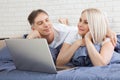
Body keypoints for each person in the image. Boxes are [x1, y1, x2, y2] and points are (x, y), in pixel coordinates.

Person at [26, 9, 117, 64]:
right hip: (70, 32)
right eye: (40, 23)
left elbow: (101, 63)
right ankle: (64, 22)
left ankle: (64, 23)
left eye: (47, 20)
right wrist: (29, 38)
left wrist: (106, 30)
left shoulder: (68, 30)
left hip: (67, 29)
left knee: (67, 28)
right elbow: (59, 61)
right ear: (33, 28)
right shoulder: (74, 34)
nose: (46, 25)